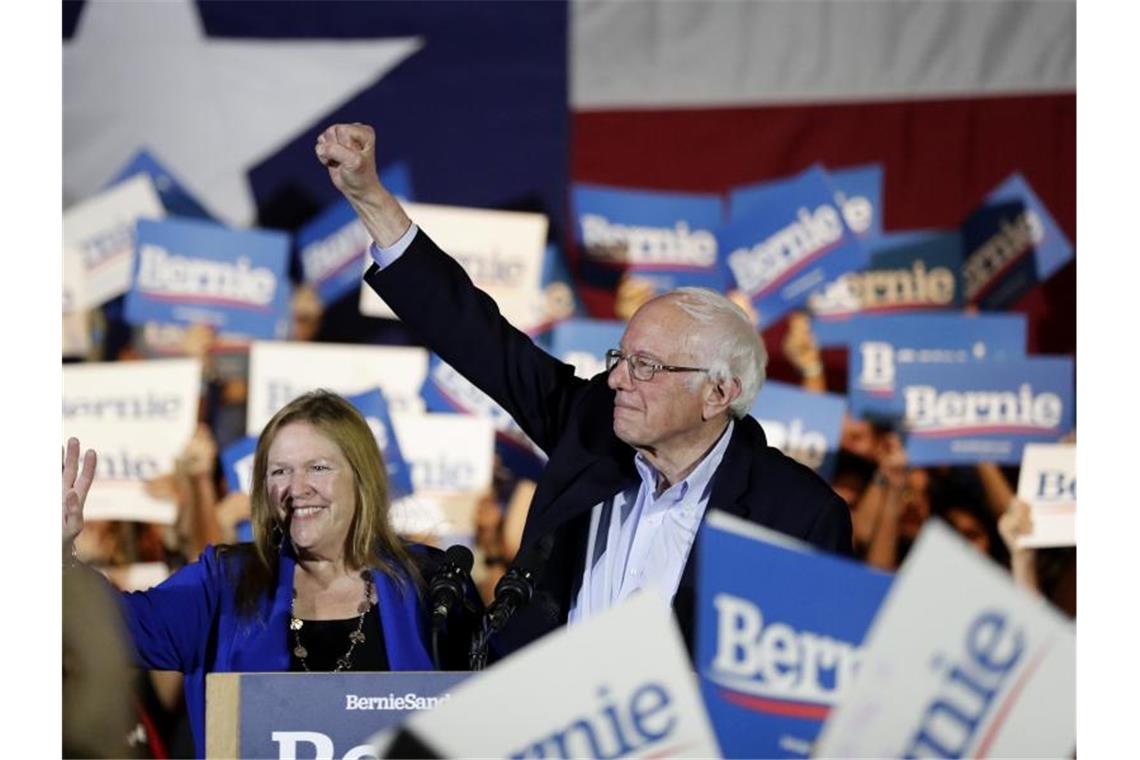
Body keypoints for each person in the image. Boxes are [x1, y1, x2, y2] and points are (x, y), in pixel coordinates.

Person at [315, 122, 852, 659]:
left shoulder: (796, 513)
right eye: (620, 358)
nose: (617, 378)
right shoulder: (592, 430)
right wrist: (371, 199)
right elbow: (477, 337)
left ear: (718, 393)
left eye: (646, 366)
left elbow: (795, 679)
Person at [62, 391, 477, 759]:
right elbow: (112, 627)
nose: (296, 487)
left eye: (318, 468)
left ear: (362, 476)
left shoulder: (430, 585)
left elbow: (494, 711)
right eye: (279, 471)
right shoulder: (224, 584)